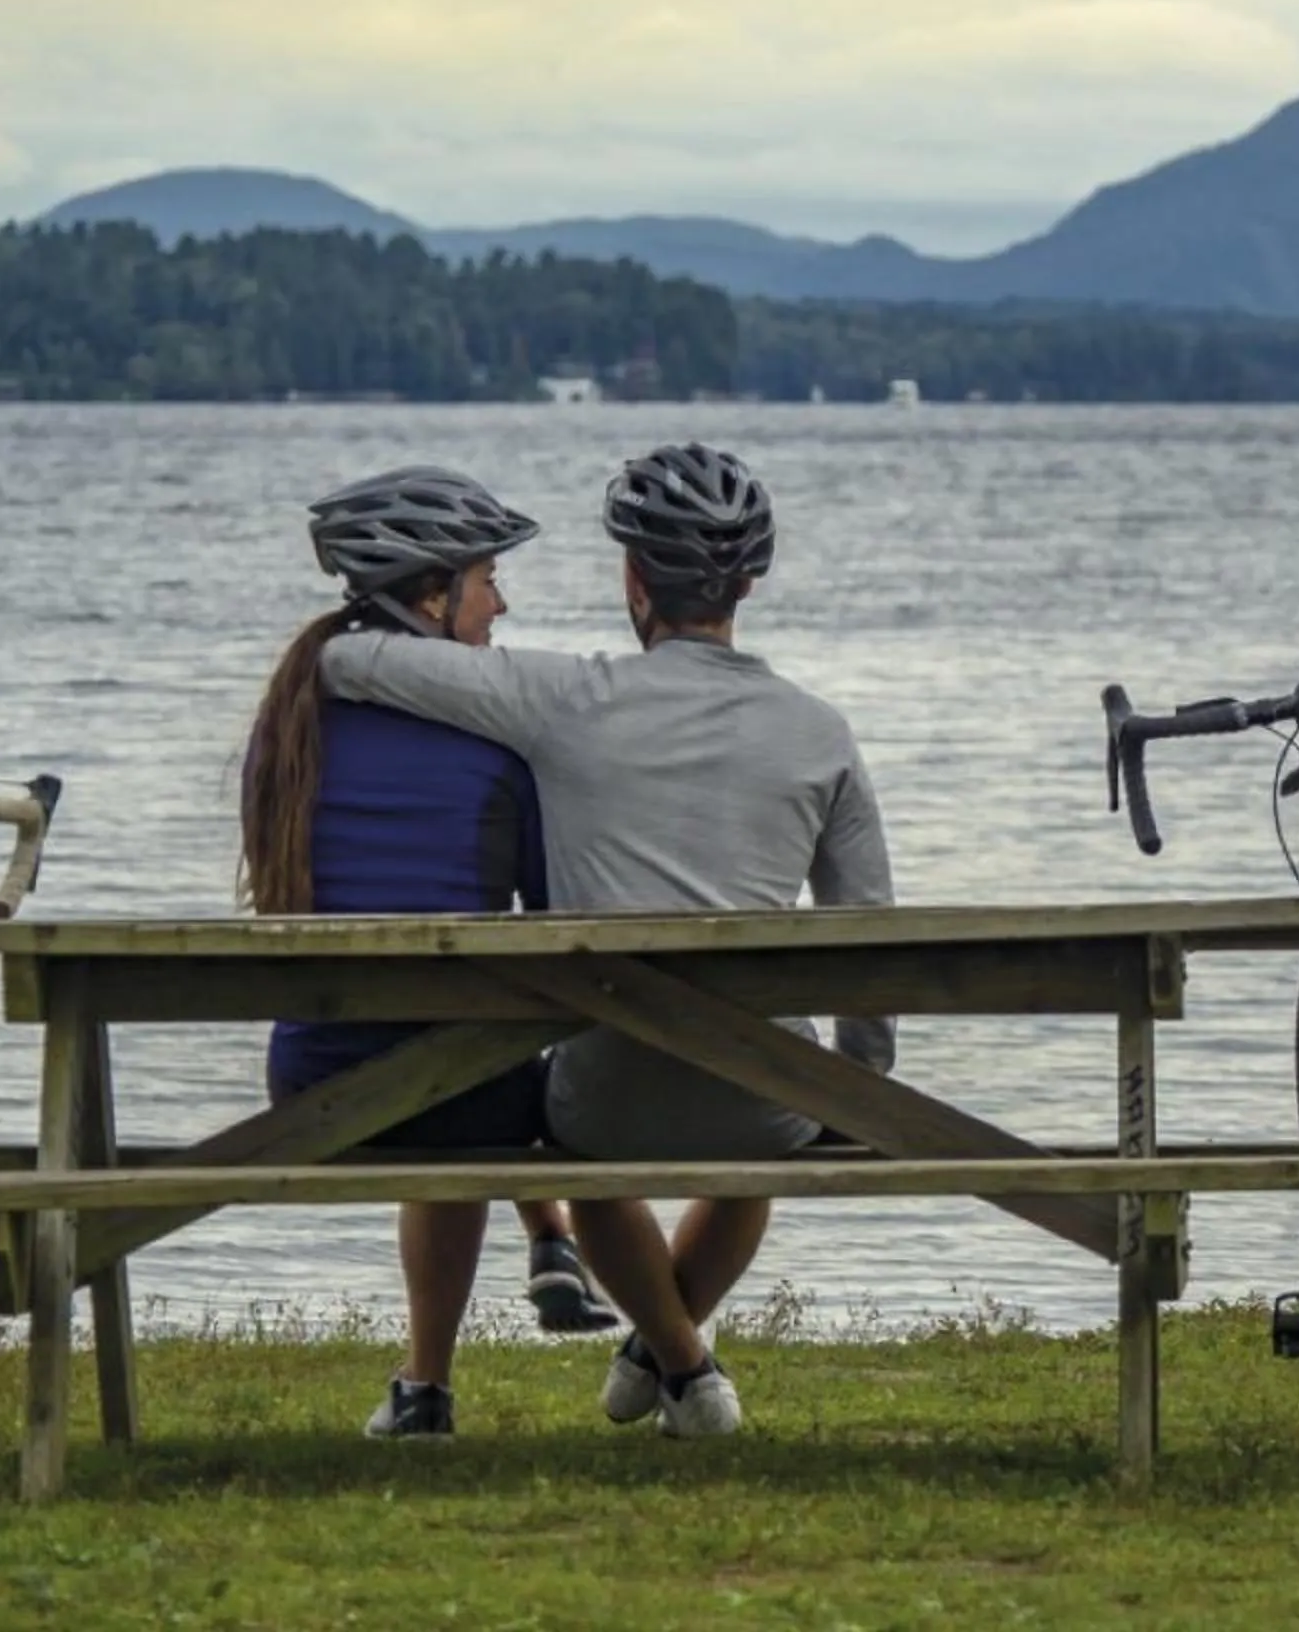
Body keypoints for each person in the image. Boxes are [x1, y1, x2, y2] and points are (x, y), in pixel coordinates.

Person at [321, 442, 894, 1439]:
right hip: (766, 1097)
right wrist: (858, 1081)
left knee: (584, 1160)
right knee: (763, 1131)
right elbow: (869, 937)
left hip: (605, 1103)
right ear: (748, 585)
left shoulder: (565, 701)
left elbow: (352, 661)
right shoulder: (821, 732)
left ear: (633, 580)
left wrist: (334, 634)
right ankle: (674, 1359)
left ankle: (675, 1360)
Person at [237, 464, 618, 1443]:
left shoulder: (288, 729)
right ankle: (554, 1263)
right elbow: (551, 913)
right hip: (469, 1091)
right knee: (486, 1066)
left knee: (435, 1054)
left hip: (313, 1080)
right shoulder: (498, 744)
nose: (502, 604)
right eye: (488, 579)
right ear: (433, 597)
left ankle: (428, 1392)